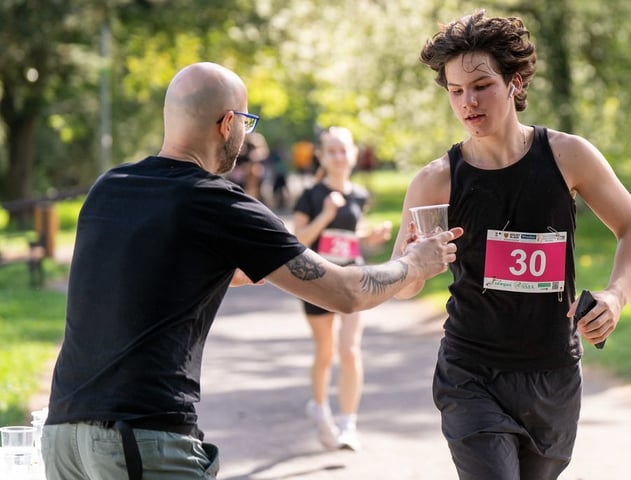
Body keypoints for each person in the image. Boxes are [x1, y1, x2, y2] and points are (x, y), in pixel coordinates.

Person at [41, 62, 461, 480]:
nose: (245, 135)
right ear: (228, 123)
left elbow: (178, 275)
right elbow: (346, 293)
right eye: (246, 121)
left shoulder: (109, 188)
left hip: (62, 436)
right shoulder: (215, 202)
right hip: (140, 437)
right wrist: (413, 264)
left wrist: (279, 263)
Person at [390, 11, 631, 479]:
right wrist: (415, 266)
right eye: (455, 91)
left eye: (481, 86)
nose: (467, 102)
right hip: (470, 372)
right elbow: (400, 284)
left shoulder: (568, 156)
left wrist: (616, 294)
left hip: (552, 373)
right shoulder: (436, 180)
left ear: (514, 82)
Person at [292, 126, 393, 451]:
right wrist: (325, 214)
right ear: (321, 156)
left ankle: (349, 424)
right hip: (317, 283)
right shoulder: (311, 195)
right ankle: (320, 408)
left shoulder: (359, 195)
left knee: (350, 350)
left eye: (343, 150)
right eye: (331, 150)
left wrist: (371, 237)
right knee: (326, 352)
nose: (338, 156)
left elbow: (351, 237)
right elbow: (297, 242)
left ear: (352, 154)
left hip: (352, 282)